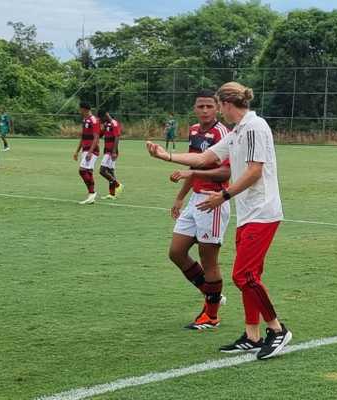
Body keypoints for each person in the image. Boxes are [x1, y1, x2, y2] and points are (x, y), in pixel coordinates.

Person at [146, 82, 292, 360]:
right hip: (249, 213)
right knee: (250, 276)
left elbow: (254, 172)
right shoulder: (238, 131)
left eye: (216, 105)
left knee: (243, 276)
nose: (215, 111)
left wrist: (223, 196)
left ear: (225, 104)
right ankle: (252, 335)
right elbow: (204, 158)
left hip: (263, 212)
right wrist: (166, 156)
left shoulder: (254, 127)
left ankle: (277, 329)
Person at [168, 90, 231, 330]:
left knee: (209, 260)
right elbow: (193, 165)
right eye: (200, 106)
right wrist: (180, 197)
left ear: (217, 108)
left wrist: (193, 173)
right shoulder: (194, 130)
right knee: (176, 252)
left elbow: (226, 173)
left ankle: (211, 316)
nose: (204, 110)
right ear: (195, 108)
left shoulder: (222, 133)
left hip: (213, 201)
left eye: (209, 106)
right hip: (195, 199)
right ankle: (212, 294)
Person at [73, 102, 101, 204]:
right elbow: (83, 137)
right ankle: (91, 196)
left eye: (80, 109)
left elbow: (96, 137)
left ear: (84, 109)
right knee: (88, 171)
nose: (79, 111)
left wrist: (90, 152)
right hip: (85, 149)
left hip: (92, 150)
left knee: (82, 170)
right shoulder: (85, 120)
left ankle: (92, 193)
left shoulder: (94, 120)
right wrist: (77, 151)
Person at [98, 110, 123, 200]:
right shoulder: (107, 124)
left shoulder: (114, 123)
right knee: (110, 171)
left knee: (102, 171)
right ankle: (112, 194)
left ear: (106, 115)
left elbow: (117, 137)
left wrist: (114, 152)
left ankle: (118, 184)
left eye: (101, 118)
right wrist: (102, 128)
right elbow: (100, 135)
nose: (101, 120)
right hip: (107, 151)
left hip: (111, 152)